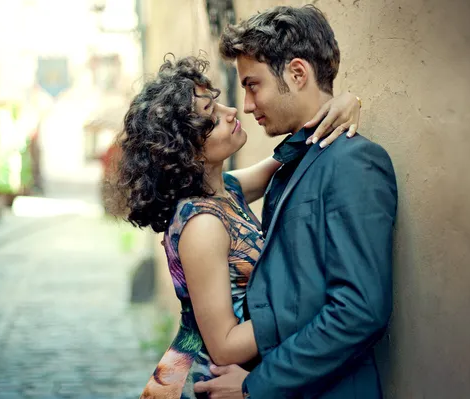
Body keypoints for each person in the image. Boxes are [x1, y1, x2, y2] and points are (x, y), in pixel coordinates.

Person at [106, 53, 362, 399]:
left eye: (217, 103)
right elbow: (224, 346)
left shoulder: (226, 190)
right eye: (211, 116)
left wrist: (344, 103)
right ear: (186, 149)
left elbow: (287, 156)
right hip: (208, 381)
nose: (231, 113)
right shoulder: (203, 224)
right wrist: (307, 308)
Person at [193, 5, 398, 399]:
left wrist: (258, 385)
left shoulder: (354, 163)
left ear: (298, 73)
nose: (247, 106)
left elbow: (359, 311)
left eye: (253, 85)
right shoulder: (291, 160)